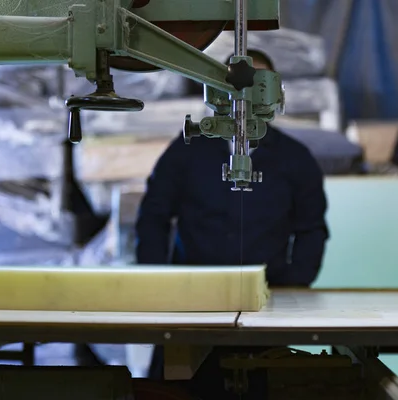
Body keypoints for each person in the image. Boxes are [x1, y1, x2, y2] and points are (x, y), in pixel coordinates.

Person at [135, 49, 329, 398]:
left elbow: (311, 229)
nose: (245, 97)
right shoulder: (186, 151)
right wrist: (157, 282)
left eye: (257, 86)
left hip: (267, 306)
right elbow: (153, 215)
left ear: (273, 93)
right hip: (191, 305)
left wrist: (293, 285)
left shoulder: (296, 159)